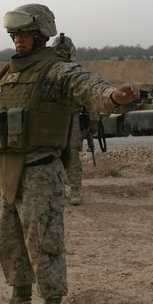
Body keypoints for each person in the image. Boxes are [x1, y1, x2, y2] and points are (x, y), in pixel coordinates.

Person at [0, 3, 139, 304]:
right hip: (7, 169)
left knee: (44, 242)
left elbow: (88, 86)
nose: (18, 40)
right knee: (9, 241)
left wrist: (114, 97)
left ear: (41, 35)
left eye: (24, 34)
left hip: (40, 170)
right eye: (14, 34)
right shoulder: (8, 72)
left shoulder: (57, 70)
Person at [51, 33, 100, 205]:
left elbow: (89, 96)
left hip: (73, 118)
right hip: (52, 119)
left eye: (65, 50)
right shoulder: (47, 71)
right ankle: (55, 189)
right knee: (50, 155)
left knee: (72, 155)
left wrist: (93, 120)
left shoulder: (77, 72)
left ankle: (74, 189)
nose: (63, 53)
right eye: (59, 49)